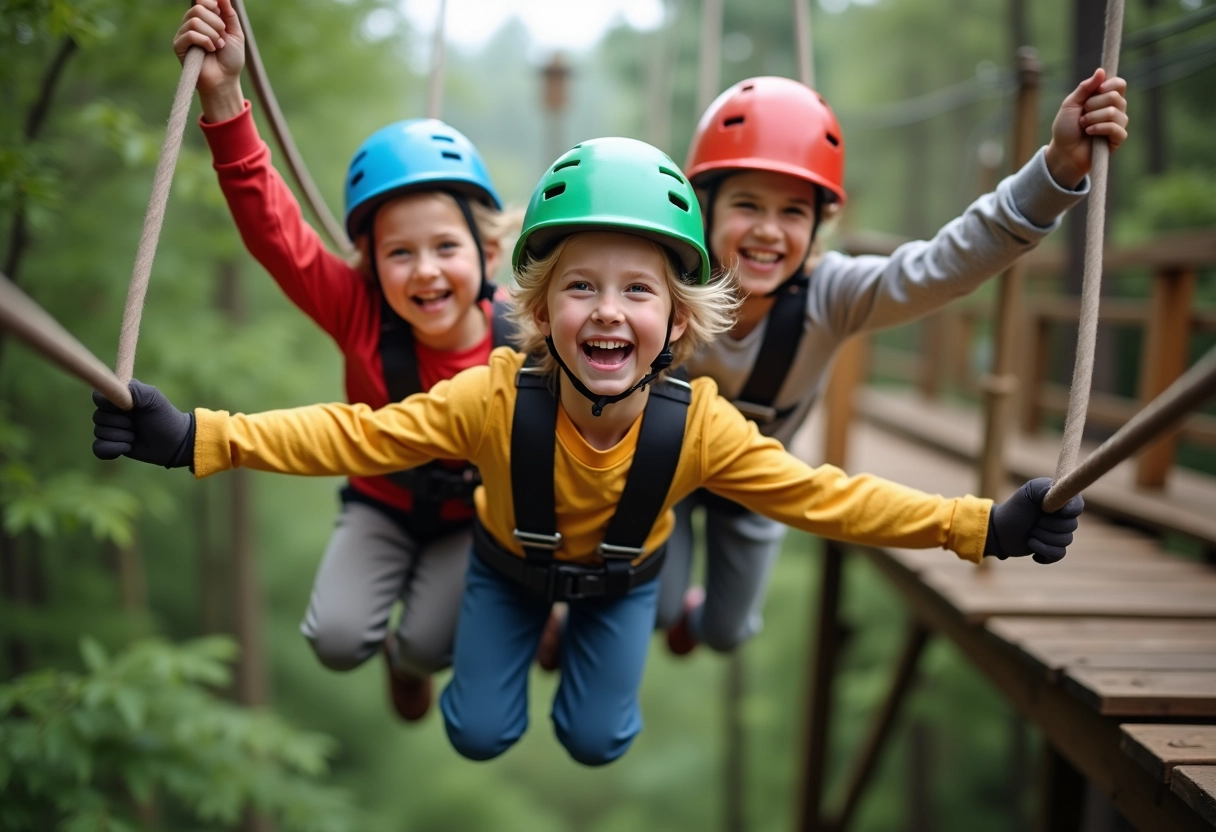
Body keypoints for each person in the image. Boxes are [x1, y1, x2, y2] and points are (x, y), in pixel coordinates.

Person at [92, 137, 1084, 766]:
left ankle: (572, 656)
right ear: (531, 310)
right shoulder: (488, 395)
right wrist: (196, 437)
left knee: (599, 740)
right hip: (504, 570)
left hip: (620, 585)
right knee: (477, 733)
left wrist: (978, 523)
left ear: (679, 320)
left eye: (638, 292)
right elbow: (352, 433)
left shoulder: (702, 426)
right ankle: (518, 647)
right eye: (579, 289)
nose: (607, 312)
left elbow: (825, 497)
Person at [657, 72, 1128, 655]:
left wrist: (1056, 170)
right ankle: (660, 611)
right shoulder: (664, 290)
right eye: (747, 204)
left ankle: (698, 619)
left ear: (817, 226)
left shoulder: (831, 296)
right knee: (655, 605)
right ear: (704, 206)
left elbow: (942, 265)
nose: (767, 230)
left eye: (792, 213)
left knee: (728, 632)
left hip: (756, 486)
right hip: (664, 472)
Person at [173, 0, 519, 720]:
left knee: (428, 642)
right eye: (400, 253)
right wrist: (223, 96)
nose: (425, 273)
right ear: (370, 264)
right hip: (382, 505)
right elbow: (275, 232)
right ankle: (389, 644)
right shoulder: (357, 308)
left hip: (476, 518)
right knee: (333, 640)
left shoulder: (526, 333)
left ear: (488, 254)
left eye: (445, 249)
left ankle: (413, 659)